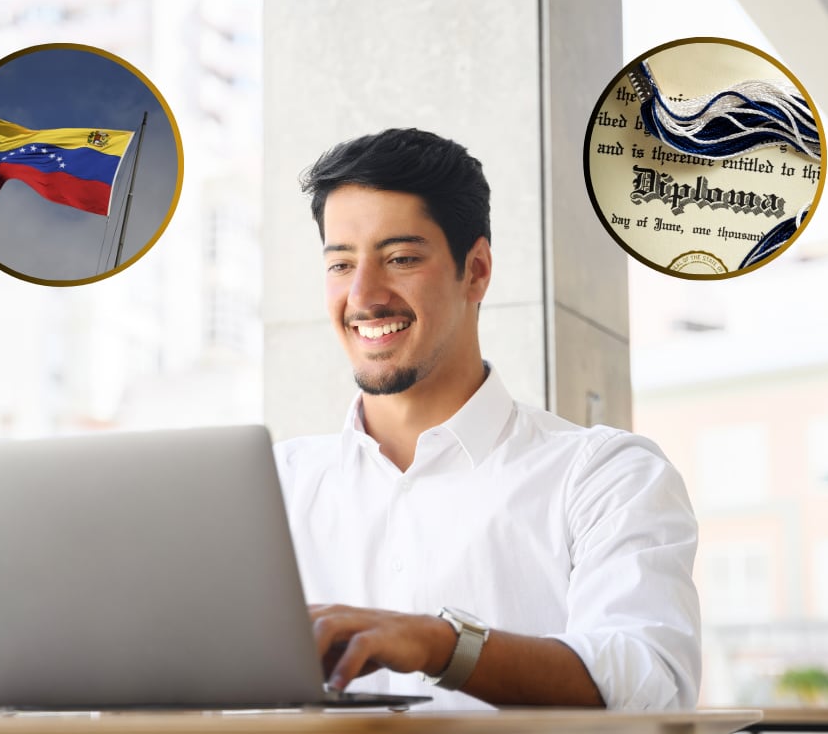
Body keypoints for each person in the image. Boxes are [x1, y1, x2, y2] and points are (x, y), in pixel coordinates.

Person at [274, 127, 701, 711]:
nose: (364, 296)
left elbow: (649, 686)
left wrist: (443, 644)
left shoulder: (605, 475)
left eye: (400, 258)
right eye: (342, 264)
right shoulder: (276, 485)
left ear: (475, 270)